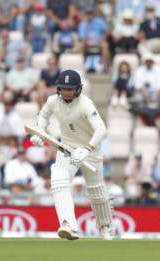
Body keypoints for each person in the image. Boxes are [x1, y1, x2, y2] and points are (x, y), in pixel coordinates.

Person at [30, 70, 113, 240]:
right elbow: (43, 116)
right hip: (67, 149)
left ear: (78, 89)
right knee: (58, 179)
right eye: (64, 88)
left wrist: (88, 148)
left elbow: (101, 129)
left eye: (71, 89)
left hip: (90, 151)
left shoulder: (85, 104)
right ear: (58, 88)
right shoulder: (53, 101)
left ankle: (106, 228)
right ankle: (69, 226)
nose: (67, 92)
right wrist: (39, 132)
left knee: (96, 192)